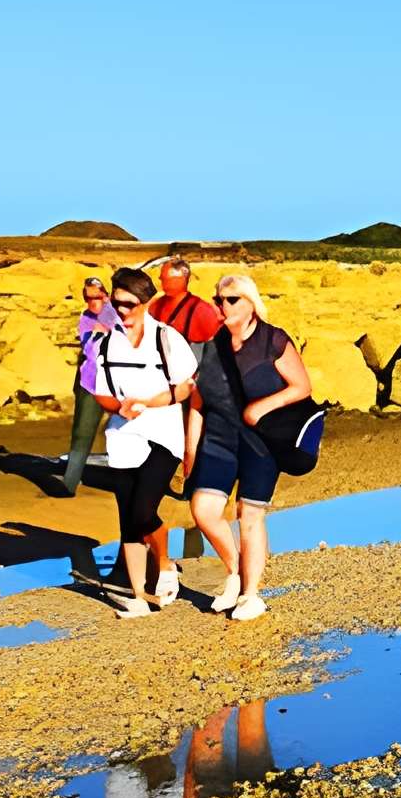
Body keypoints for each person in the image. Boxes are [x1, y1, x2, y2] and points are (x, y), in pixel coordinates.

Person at [187, 274, 312, 621]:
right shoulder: (212, 346)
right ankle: (235, 572)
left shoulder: (273, 340)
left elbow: (301, 387)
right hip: (219, 437)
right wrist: (190, 449)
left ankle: (251, 595)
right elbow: (198, 402)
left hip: (262, 441)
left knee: (249, 513)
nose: (222, 306)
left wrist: (262, 406)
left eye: (231, 300)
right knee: (204, 510)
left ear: (250, 303)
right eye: (218, 300)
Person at [93, 267, 198, 616]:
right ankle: (136, 595)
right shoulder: (105, 342)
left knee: (143, 511)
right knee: (128, 518)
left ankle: (165, 564)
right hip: (122, 436)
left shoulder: (167, 339)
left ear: (145, 302)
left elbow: (186, 386)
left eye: (129, 304)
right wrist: (118, 406)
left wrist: (152, 402)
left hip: (164, 435)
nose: (122, 310)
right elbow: (100, 392)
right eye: (117, 302)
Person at [138, 259, 222, 604]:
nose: (159, 280)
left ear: (181, 279)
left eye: (163, 277)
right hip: (163, 386)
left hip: (189, 384)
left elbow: (207, 353)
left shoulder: (200, 311)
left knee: (194, 434)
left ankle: (194, 482)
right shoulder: (155, 305)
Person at [55, 276, 119, 499]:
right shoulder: (85, 317)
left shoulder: (120, 313)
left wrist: (110, 329)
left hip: (121, 384)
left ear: (106, 296)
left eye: (96, 297)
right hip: (91, 383)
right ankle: (69, 484)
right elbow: (89, 349)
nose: (92, 302)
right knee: (82, 434)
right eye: (87, 297)